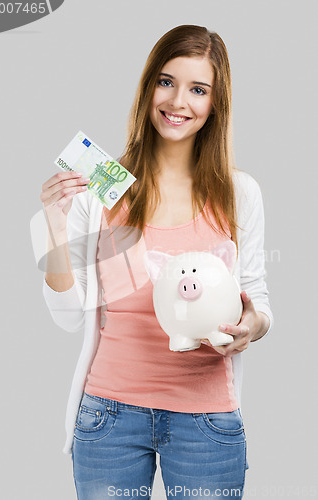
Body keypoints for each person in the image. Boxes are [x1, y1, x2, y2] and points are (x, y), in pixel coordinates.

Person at [39, 25, 273, 500]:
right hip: (109, 416)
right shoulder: (102, 192)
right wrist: (55, 226)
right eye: (166, 81)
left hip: (206, 419)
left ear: (215, 104)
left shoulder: (237, 194)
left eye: (198, 89)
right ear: (148, 86)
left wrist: (251, 325)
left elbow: (259, 301)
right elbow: (67, 317)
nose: (178, 101)